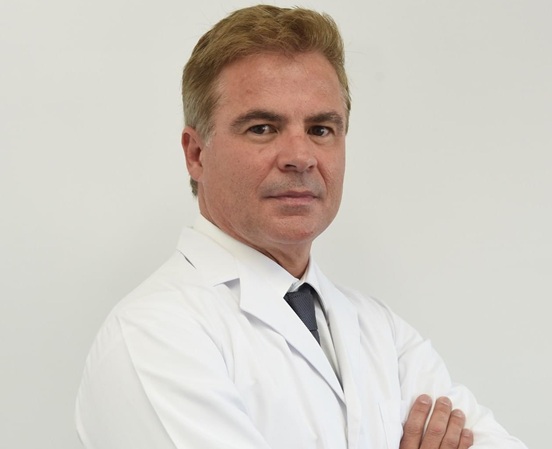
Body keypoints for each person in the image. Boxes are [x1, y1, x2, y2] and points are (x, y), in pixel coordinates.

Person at [75, 5, 528, 449]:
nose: (300, 156)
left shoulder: (381, 332)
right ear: (196, 154)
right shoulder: (154, 335)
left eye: (321, 129)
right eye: (262, 128)